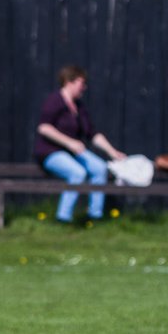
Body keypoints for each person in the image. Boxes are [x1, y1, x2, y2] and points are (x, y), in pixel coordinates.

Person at [34, 65, 126, 223]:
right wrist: (69, 142)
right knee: (77, 173)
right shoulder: (55, 101)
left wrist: (112, 152)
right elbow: (44, 128)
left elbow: (92, 134)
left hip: (73, 153)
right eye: (81, 83)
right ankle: (63, 218)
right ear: (69, 82)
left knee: (100, 168)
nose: (84, 87)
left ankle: (94, 216)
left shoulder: (79, 107)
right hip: (51, 152)